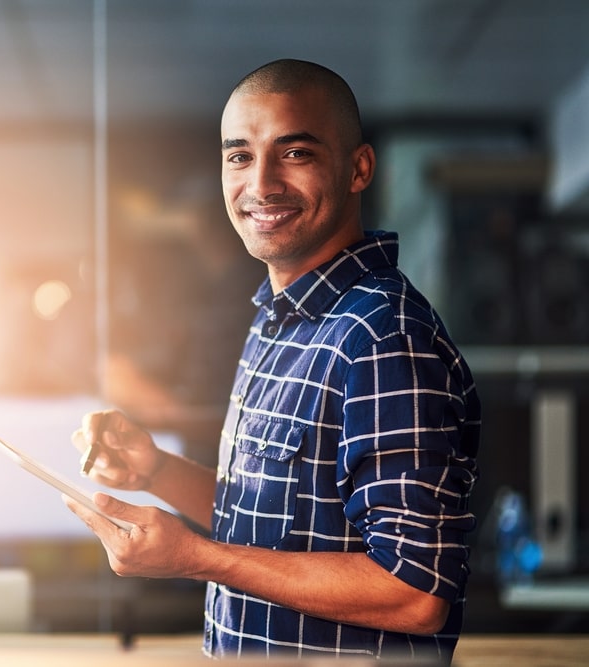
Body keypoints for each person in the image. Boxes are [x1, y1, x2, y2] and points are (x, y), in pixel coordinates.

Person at [65, 59, 481, 661]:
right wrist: (156, 471)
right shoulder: (280, 318)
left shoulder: (382, 336)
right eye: (239, 156)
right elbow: (281, 520)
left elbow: (414, 593)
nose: (260, 184)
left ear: (358, 168)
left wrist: (194, 558)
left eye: (295, 154)